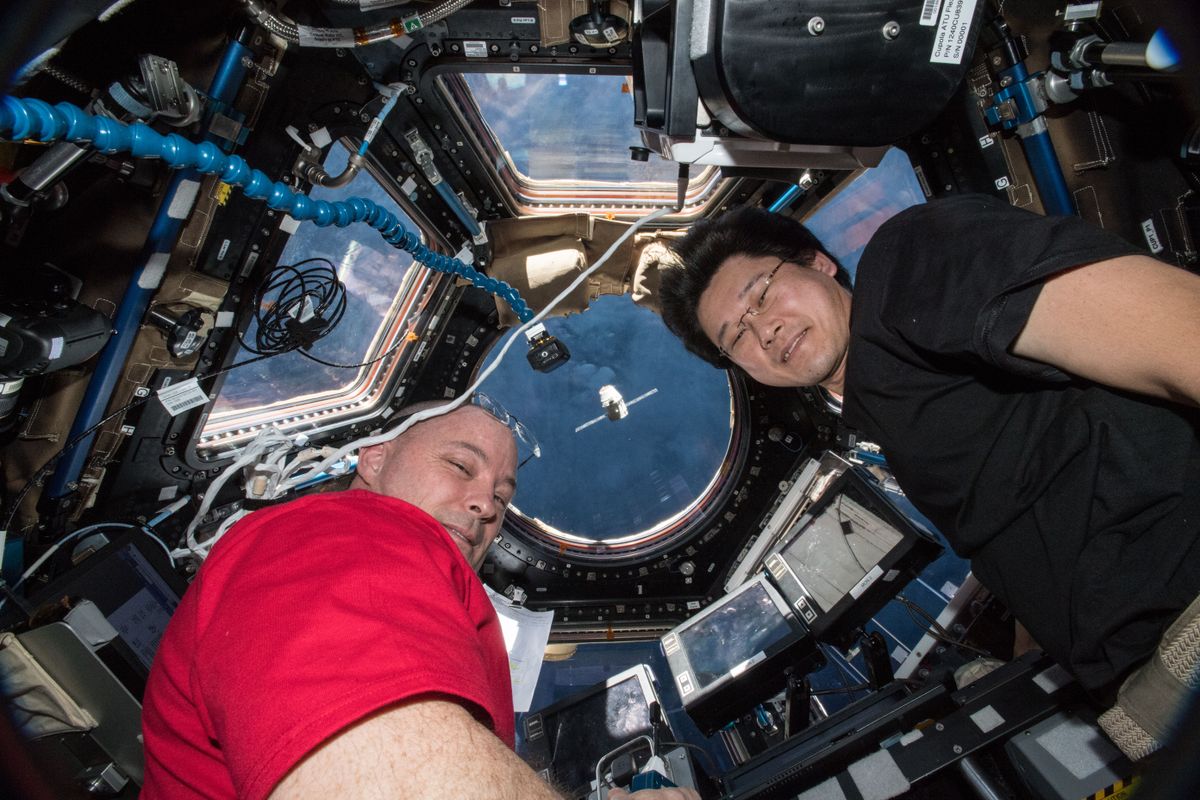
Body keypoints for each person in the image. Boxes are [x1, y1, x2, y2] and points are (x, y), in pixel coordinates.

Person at [658, 194, 1200, 757]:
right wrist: (1020, 665)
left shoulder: (908, 263)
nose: (763, 331)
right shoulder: (888, 420)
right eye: (736, 337)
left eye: (762, 294)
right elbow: (1028, 527)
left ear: (818, 261)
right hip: (1139, 692)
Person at [141, 400, 698, 800]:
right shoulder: (338, 537)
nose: (485, 504)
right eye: (460, 466)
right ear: (374, 458)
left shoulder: (422, 590)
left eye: (503, 498)